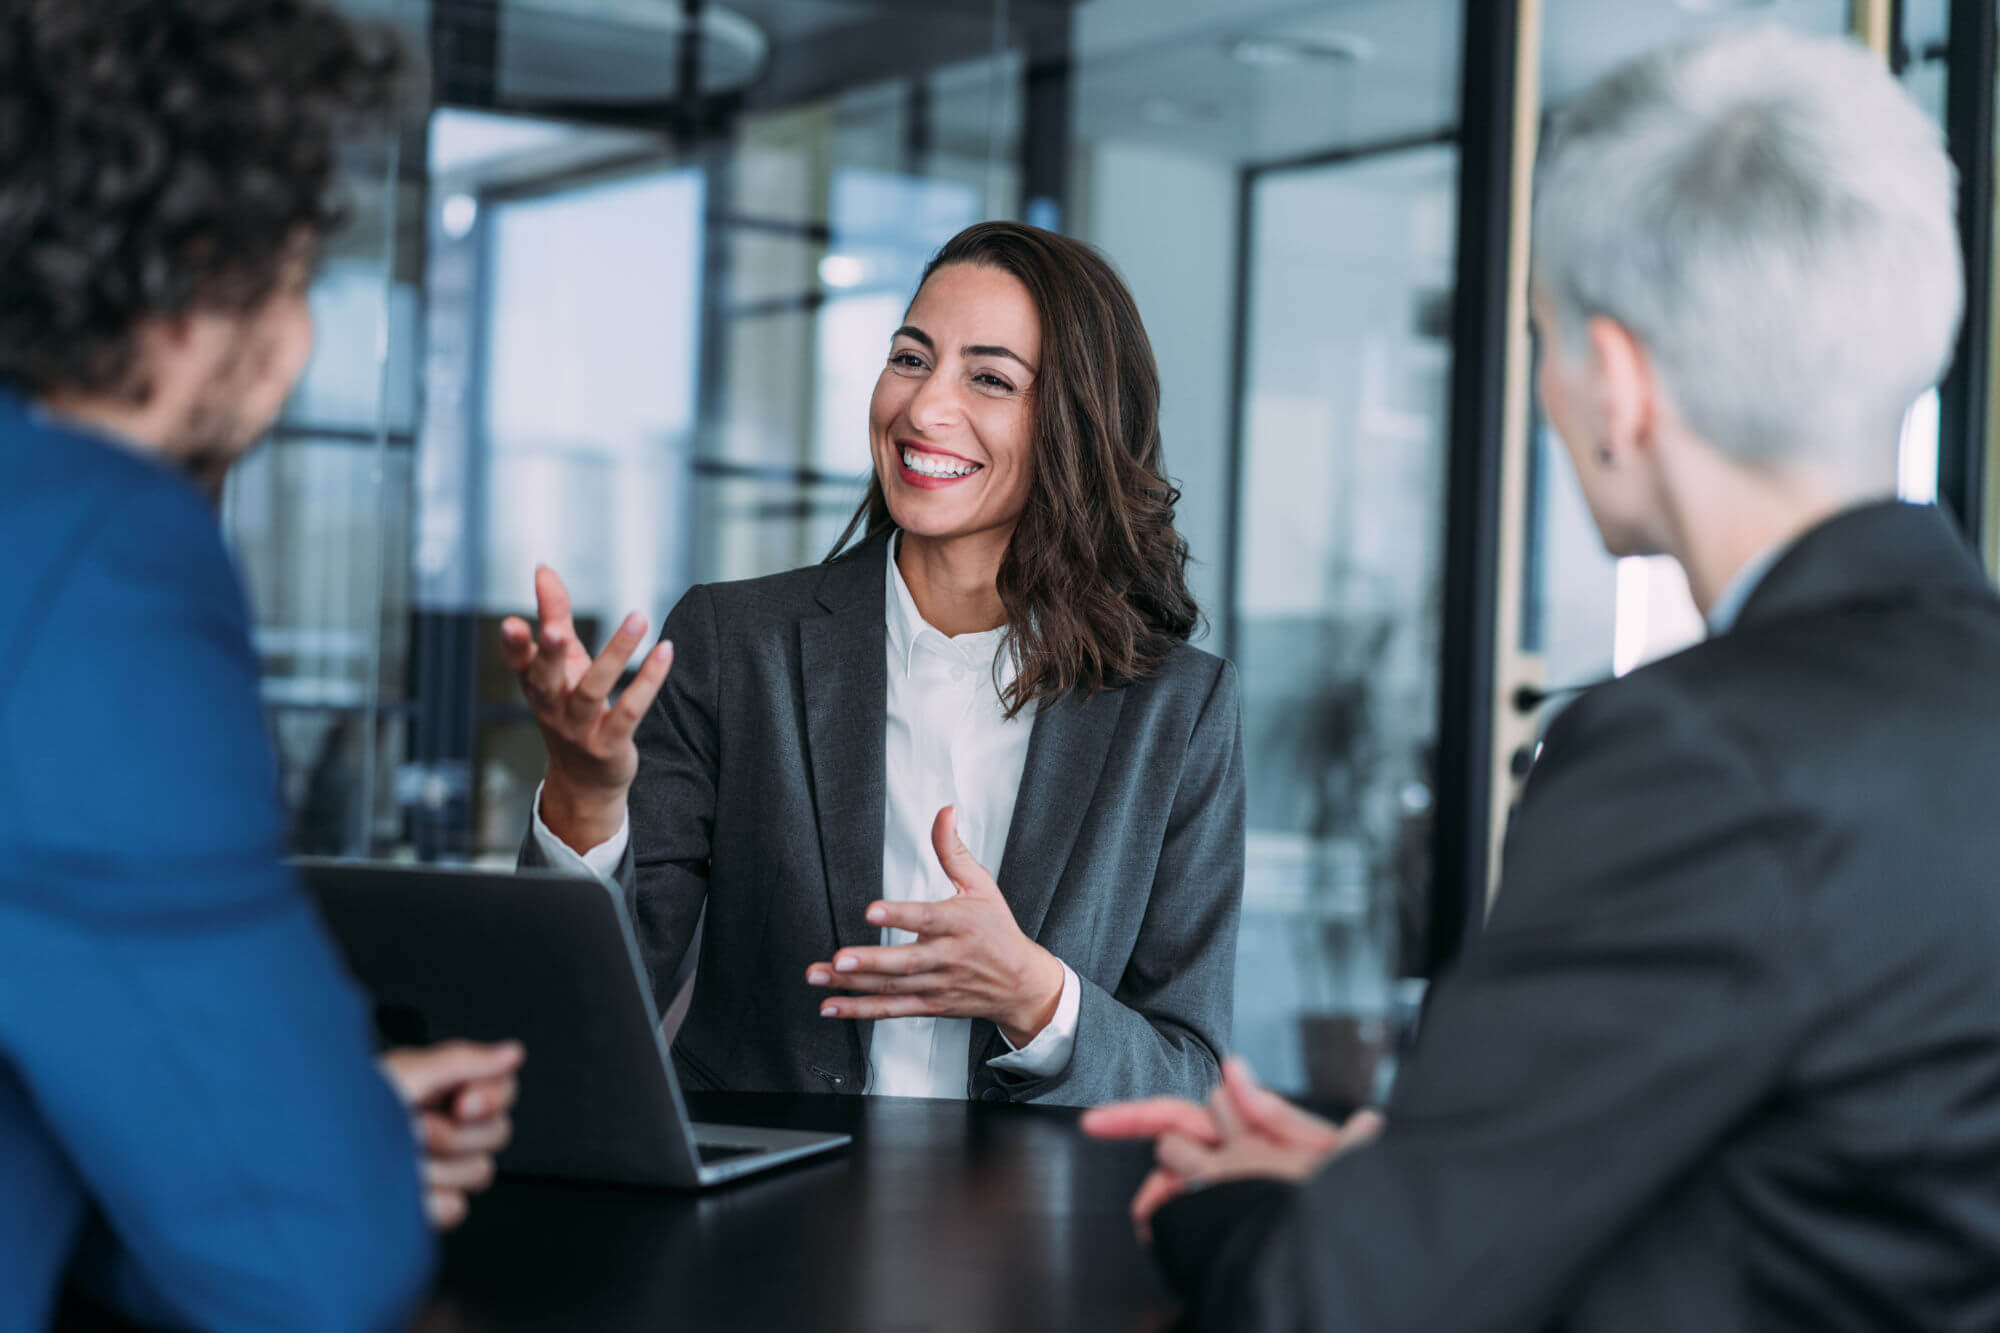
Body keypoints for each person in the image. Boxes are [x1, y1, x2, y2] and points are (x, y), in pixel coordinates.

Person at [1083, 26, 2000, 1332]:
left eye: (1546, 343)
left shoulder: (1695, 756)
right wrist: (1401, 1177)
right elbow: (1850, 1183)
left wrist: (1224, 1213)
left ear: (1619, 384)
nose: (1550, 395)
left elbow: (1334, 1304)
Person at [0, 3, 520, 1329]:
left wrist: (291, 1107)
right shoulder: (99, 557)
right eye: (295, 278)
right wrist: (330, 1141)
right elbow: (308, 1267)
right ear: (196, 277)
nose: (295, 347)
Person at [505, 221, 1244, 1105]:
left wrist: (1035, 996)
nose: (924, 408)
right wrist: (586, 798)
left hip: (1038, 1232)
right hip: (767, 1217)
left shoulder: (1178, 709)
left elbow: (1188, 1074)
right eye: (910, 357)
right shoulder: (736, 645)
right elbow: (586, 1020)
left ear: (1078, 425)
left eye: (990, 378)